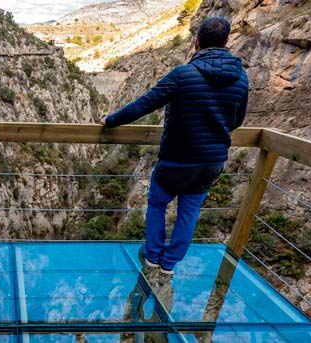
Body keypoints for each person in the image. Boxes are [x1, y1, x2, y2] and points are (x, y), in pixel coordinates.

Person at [100, 17, 248, 275]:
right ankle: (169, 264)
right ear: (227, 42)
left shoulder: (183, 75)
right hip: (211, 162)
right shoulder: (241, 78)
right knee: (189, 211)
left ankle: (152, 256)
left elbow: (143, 105)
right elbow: (237, 120)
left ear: (196, 41)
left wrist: (110, 120)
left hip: (177, 159)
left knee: (158, 203)